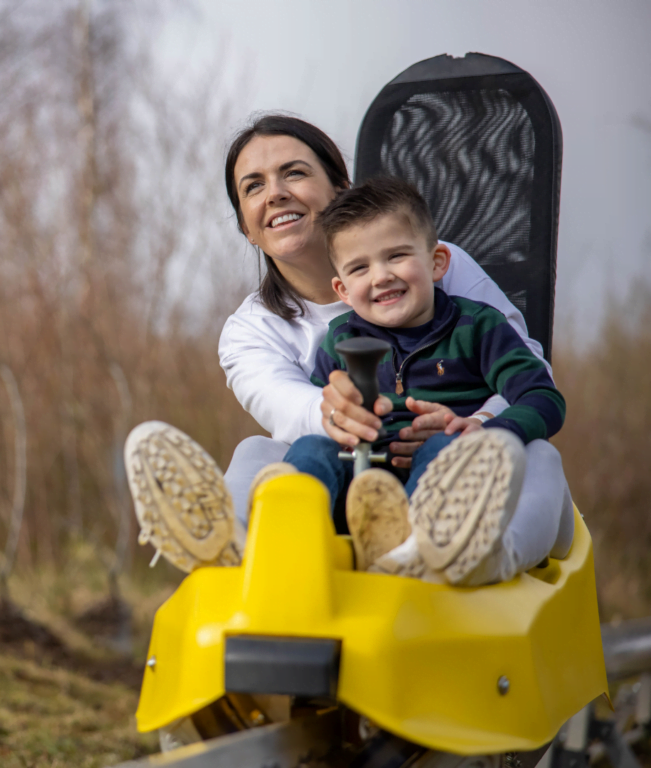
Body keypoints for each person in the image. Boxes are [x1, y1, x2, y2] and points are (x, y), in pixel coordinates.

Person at [124, 113, 574, 579]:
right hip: (356, 481)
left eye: (294, 172)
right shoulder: (253, 331)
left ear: (340, 187)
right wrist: (336, 410)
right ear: (246, 227)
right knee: (257, 450)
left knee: (535, 453)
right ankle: (236, 545)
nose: (275, 192)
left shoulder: (440, 267)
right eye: (253, 186)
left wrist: (478, 426)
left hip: (473, 474)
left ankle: (477, 554)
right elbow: (292, 412)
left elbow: (532, 377)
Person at [276, 176, 565, 585]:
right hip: (359, 492)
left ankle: (416, 550)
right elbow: (325, 416)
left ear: (437, 263)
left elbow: (542, 397)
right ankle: (287, 542)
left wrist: (484, 429)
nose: (380, 276)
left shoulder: (478, 327)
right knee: (310, 447)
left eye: (396, 256)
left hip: (447, 489)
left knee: (446, 449)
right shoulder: (341, 339)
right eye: (360, 267)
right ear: (341, 288)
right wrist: (339, 426)